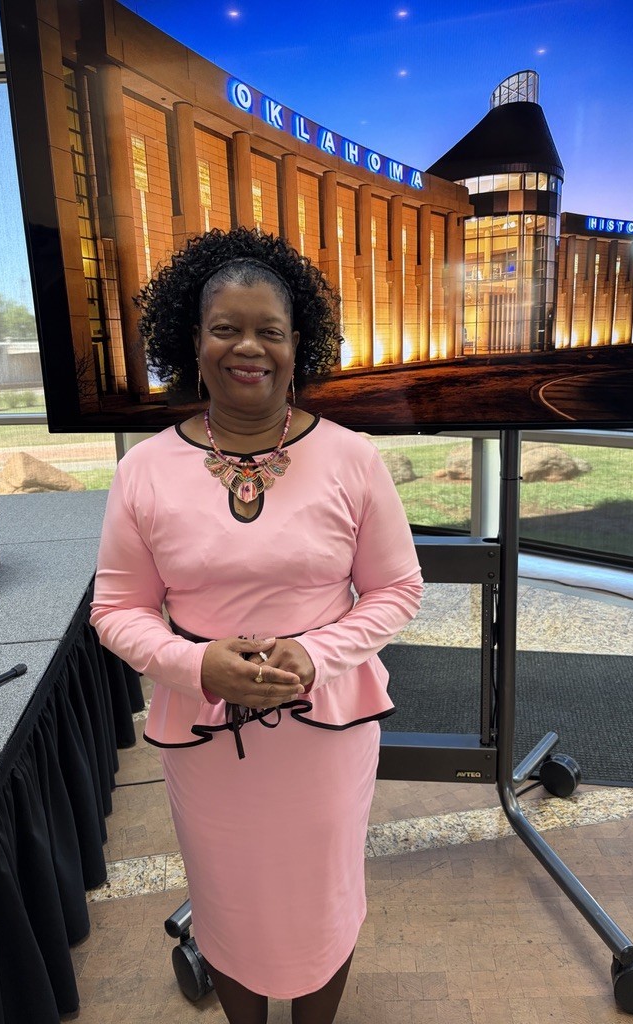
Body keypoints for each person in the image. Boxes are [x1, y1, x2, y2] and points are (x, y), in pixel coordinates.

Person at [90, 226, 423, 1024]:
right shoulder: (143, 470)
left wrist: (315, 652)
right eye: (225, 328)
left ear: (296, 344)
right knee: (228, 899)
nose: (249, 347)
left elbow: (397, 590)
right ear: (192, 341)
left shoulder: (353, 459)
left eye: (269, 331)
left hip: (327, 730)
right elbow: (117, 608)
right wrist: (194, 666)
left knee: (322, 897)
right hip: (207, 735)